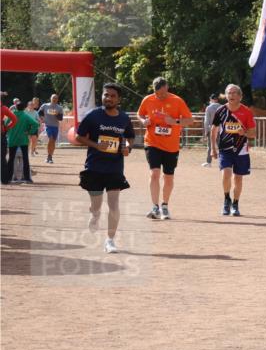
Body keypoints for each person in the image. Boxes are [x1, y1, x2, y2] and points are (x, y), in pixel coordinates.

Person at [74, 83, 135, 253]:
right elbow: (79, 137)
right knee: (96, 204)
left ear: (119, 99)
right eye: (106, 95)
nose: (108, 98)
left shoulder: (123, 118)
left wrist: (127, 148)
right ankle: (94, 214)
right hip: (94, 166)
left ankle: (110, 240)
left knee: (114, 204)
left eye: (112, 96)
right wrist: (96, 145)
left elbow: (130, 137)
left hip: (115, 167)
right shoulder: (93, 115)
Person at [137, 77, 194, 220]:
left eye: (162, 94)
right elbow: (140, 113)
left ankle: (165, 205)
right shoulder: (148, 100)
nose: (160, 96)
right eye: (157, 94)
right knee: (154, 173)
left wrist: (174, 121)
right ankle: (155, 206)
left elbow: (190, 120)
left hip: (171, 146)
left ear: (167, 87)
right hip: (152, 142)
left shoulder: (177, 100)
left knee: (168, 177)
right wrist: (144, 121)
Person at [210, 84, 256, 216]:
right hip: (225, 149)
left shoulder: (246, 112)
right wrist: (213, 148)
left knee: (238, 178)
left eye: (234, 93)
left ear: (240, 96)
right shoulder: (221, 111)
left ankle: (235, 204)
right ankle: (226, 200)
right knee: (226, 174)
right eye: (229, 93)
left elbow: (253, 134)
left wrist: (244, 133)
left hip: (241, 149)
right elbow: (214, 130)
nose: (231, 95)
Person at [3, 100, 38, 184]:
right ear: (23, 108)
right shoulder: (25, 116)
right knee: (25, 159)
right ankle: (27, 178)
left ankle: (8, 178)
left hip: (12, 140)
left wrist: (8, 133)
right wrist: (29, 132)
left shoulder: (11, 115)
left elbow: (5, 125)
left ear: (16, 107)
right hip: (23, 141)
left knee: (11, 159)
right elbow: (36, 124)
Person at [37, 93, 63, 164]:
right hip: (48, 125)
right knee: (50, 139)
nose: (54, 99)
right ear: (51, 98)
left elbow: (61, 118)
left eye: (56, 98)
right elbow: (39, 113)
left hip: (55, 126)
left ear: (57, 99)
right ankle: (49, 156)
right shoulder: (45, 105)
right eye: (53, 98)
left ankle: (50, 156)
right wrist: (42, 119)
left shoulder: (59, 108)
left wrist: (56, 114)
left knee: (53, 142)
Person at [201, 94, 222, 167]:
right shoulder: (222, 107)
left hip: (211, 129)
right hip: (221, 130)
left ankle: (209, 162)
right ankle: (222, 162)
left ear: (211, 99)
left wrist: (206, 131)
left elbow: (206, 121)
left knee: (210, 146)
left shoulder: (209, 108)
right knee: (221, 146)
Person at [0, 95, 15, 178]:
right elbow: (14, 119)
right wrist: (7, 127)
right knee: (2, 157)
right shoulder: (4, 108)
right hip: (1, 133)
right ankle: (4, 178)